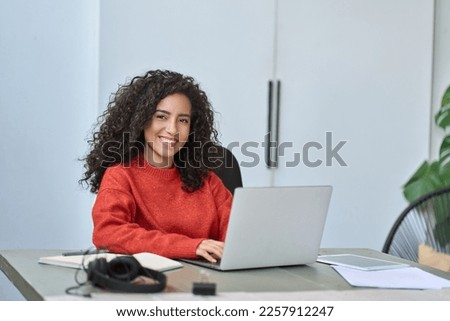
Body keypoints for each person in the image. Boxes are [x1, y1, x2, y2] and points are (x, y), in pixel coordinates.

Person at [80, 70, 232, 263]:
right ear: (141, 120)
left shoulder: (208, 180)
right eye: (161, 116)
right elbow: (108, 233)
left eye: (183, 120)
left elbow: (238, 237)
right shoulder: (120, 175)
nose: (173, 130)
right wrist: (191, 246)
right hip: (147, 284)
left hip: (207, 282)